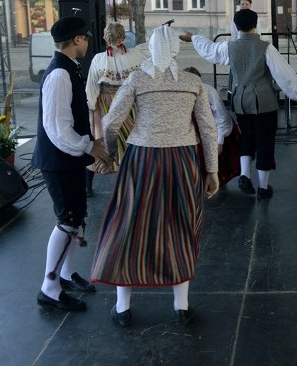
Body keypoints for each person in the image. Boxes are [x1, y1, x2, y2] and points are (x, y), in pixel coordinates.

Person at [91, 24, 220, 327]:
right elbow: (208, 128)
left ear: (151, 48)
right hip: (183, 160)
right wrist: (211, 169)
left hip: (142, 160)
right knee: (181, 225)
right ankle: (181, 306)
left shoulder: (137, 79)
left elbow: (110, 122)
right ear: (177, 49)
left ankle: (123, 308)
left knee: (130, 225)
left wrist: (111, 152)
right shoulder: (192, 82)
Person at [183, 8, 297, 199]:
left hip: (240, 100)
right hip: (264, 102)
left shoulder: (229, 47)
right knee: (265, 140)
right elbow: (285, 77)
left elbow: (209, 50)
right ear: (256, 25)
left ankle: (245, 175)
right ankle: (263, 187)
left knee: (247, 137)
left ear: (236, 26)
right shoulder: (266, 48)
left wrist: (193, 37)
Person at [33, 16, 110, 313]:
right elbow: (57, 128)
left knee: (75, 219)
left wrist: (86, 148)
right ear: (77, 40)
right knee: (67, 222)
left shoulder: (67, 69)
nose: (87, 43)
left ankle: (64, 275)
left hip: (67, 159)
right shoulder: (59, 75)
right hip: (59, 162)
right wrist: (90, 146)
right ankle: (49, 288)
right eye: (86, 38)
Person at [84, 21, 147, 197]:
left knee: (101, 142)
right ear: (123, 37)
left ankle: (87, 185)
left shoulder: (99, 59)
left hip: (106, 105)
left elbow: (91, 87)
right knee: (130, 141)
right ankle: (133, 185)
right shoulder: (136, 56)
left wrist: (90, 107)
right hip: (129, 104)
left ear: (106, 37)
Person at [184, 66, 240, 186]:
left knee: (220, 161)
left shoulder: (209, 92)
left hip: (216, 127)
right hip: (198, 130)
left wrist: (220, 141)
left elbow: (221, 116)